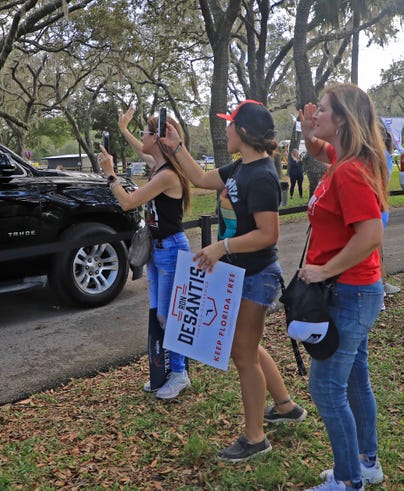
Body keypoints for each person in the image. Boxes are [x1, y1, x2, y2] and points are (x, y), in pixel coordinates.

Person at [161, 100, 307, 462]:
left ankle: (255, 438)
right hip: (240, 273)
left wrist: (220, 247)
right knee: (246, 347)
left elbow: (268, 234)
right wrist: (176, 145)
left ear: (242, 131)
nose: (225, 130)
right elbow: (198, 177)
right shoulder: (242, 168)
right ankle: (285, 406)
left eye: (229, 125)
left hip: (257, 275)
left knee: (243, 354)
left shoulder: (261, 175)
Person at [298, 84, 388, 490]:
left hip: (349, 292)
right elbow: (316, 149)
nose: (317, 113)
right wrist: (306, 129)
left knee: (326, 387)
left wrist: (323, 270)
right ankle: (367, 462)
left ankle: (350, 481)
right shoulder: (342, 158)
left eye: (324, 110)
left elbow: (369, 235)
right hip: (356, 291)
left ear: (342, 121)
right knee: (354, 379)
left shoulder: (351, 171)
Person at [101, 108, 192, 400]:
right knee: (158, 314)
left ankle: (180, 373)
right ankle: (163, 371)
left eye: (144, 131)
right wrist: (124, 128)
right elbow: (142, 149)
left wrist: (111, 175)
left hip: (172, 251)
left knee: (169, 316)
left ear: (158, 137)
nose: (141, 137)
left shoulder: (167, 175)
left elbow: (128, 203)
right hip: (157, 252)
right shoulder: (158, 165)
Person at [378, 125, 400, 297]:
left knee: (374, 249)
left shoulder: (381, 156)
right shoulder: (382, 155)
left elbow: (379, 182)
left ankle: (380, 285)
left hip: (377, 207)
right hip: (378, 207)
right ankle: (381, 284)